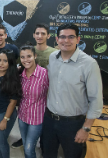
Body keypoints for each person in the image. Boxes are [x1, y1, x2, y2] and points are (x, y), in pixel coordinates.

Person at [42, 24, 103, 158]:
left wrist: (86, 128)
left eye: (71, 37)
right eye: (62, 37)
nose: (66, 41)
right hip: (49, 119)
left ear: (78, 39)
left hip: (73, 124)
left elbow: (96, 100)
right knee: (47, 154)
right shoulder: (52, 57)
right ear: (57, 39)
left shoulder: (89, 64)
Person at [12, 23, 57, 148]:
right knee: (28, 129)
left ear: (48, 35)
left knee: (44, 133)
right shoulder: (28, 50)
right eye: (37, 33)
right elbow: (19, 68)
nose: (40, 36)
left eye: (43, 33)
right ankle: (26, 140)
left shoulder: (54, 53)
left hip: (47, 96)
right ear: (33, 35)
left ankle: (41, 145)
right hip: (30, 95)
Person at [0, 49, 21, 158]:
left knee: (0, 141)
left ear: (10, 62)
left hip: (5, 113)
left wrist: (5, 119)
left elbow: (13, 102)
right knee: (0, 139)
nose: (1, 63)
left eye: (5, 61)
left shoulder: (13, 78)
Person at [18, 43, 49, 158]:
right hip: (22, 116)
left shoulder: (44, 74)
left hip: (37, 119)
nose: (26, 60)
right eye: (22, 57)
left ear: (35, 56)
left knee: (28, 148)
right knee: (26, 146)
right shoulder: (20, 74)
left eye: (29, 56)